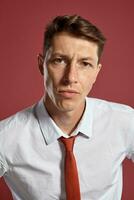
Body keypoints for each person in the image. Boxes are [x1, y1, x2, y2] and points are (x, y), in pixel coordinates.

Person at [0, 14, 134, 200]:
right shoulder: (5, 138)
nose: (71, 77)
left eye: (85, 64)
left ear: (96, 72)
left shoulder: (124, 121)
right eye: (59, 60)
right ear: (41, 65)